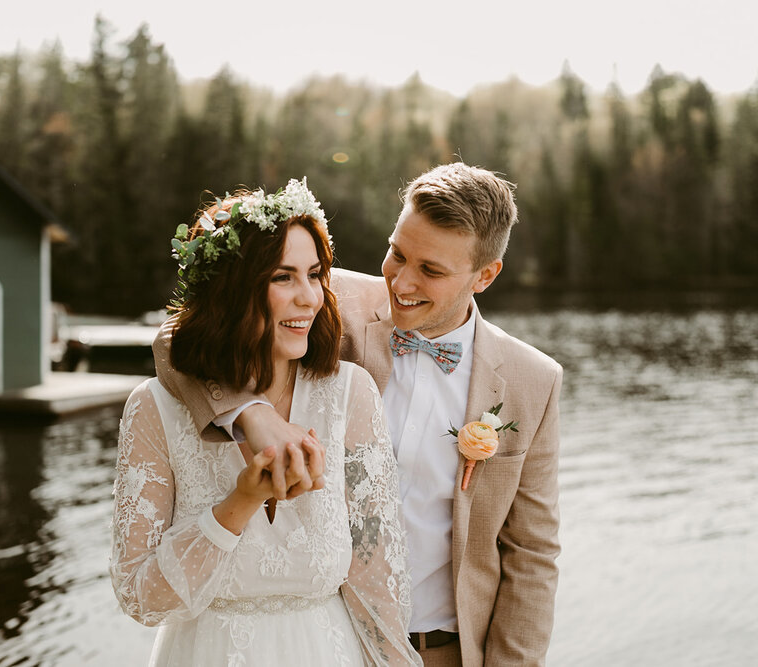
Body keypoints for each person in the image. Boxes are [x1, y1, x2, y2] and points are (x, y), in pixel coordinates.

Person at [153, 163, 563, 666]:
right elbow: (176, 339)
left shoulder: (533, 380)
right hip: (327, 639)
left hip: (444, 651)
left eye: (430, 270)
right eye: (397, 253)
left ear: (485, 275)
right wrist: (250, 413)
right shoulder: (326, 300)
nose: (402, 280)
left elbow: (532, 553)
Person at [109, 178, 422, 666]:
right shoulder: (154, 408)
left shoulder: (350, 394)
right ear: (232, 290)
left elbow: (376, 578)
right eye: (283, 277)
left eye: (315, 274)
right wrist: (240, 502)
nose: (310, 297)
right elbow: (139, 598)